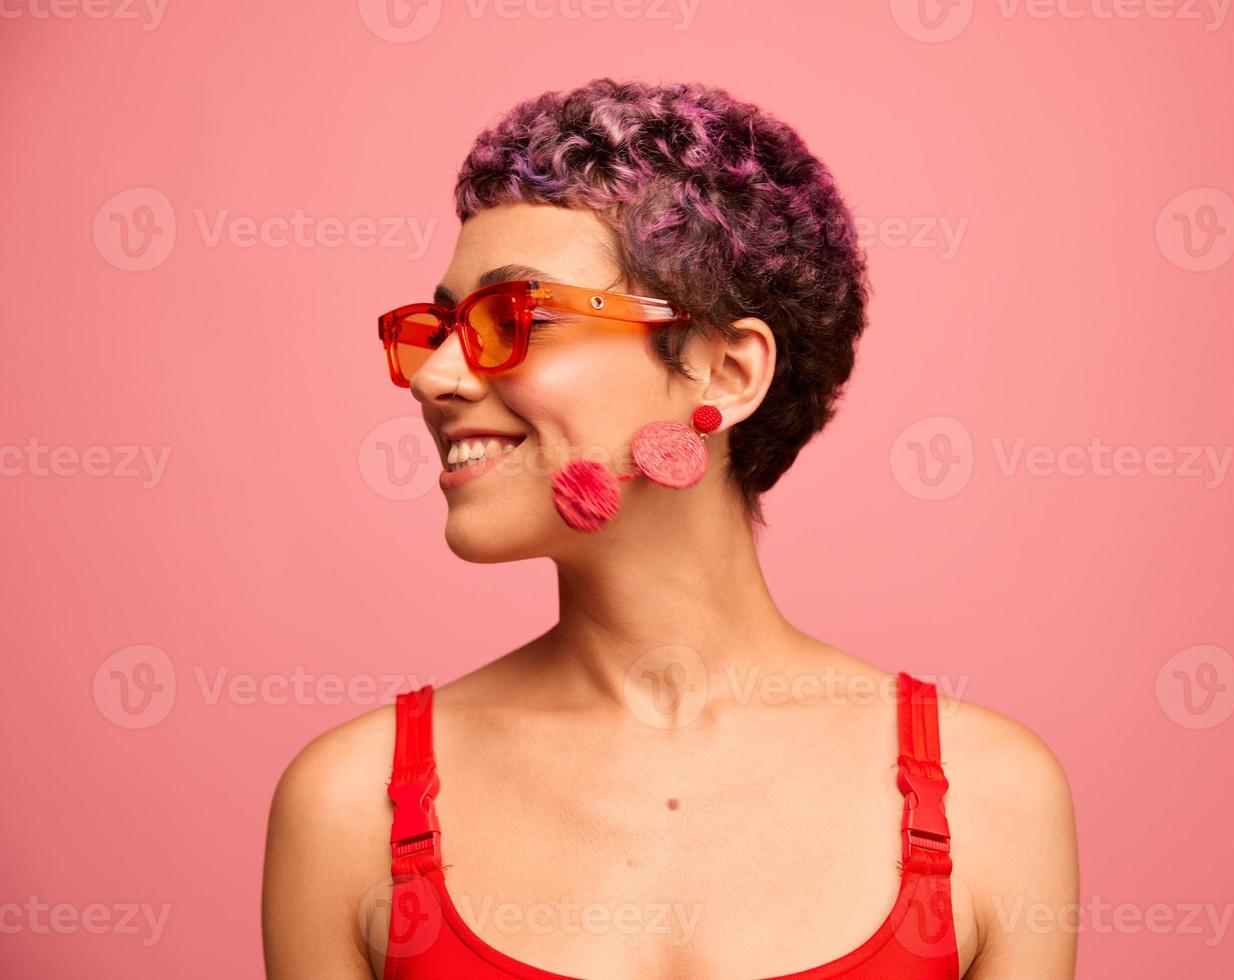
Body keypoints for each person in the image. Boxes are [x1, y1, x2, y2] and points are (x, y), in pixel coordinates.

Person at [262, 77, 1077, 980]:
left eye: (512, 318)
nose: (436, 378)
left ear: (726, 372)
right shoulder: (349, 807)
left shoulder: (989, 796)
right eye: (442, 327)